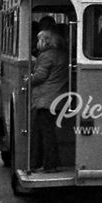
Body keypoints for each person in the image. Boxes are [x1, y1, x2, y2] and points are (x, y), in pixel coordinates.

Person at [28, 29, 69, 173]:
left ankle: (49, 165)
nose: (37, 43)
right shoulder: (63, 54)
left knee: (45, 134)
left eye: (39, 40)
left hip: (45, 100)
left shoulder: (45, 56)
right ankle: (50, 163)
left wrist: (27, 80)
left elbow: (40, 76)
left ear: (45, 41)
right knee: (50, 132)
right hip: (58, 98)